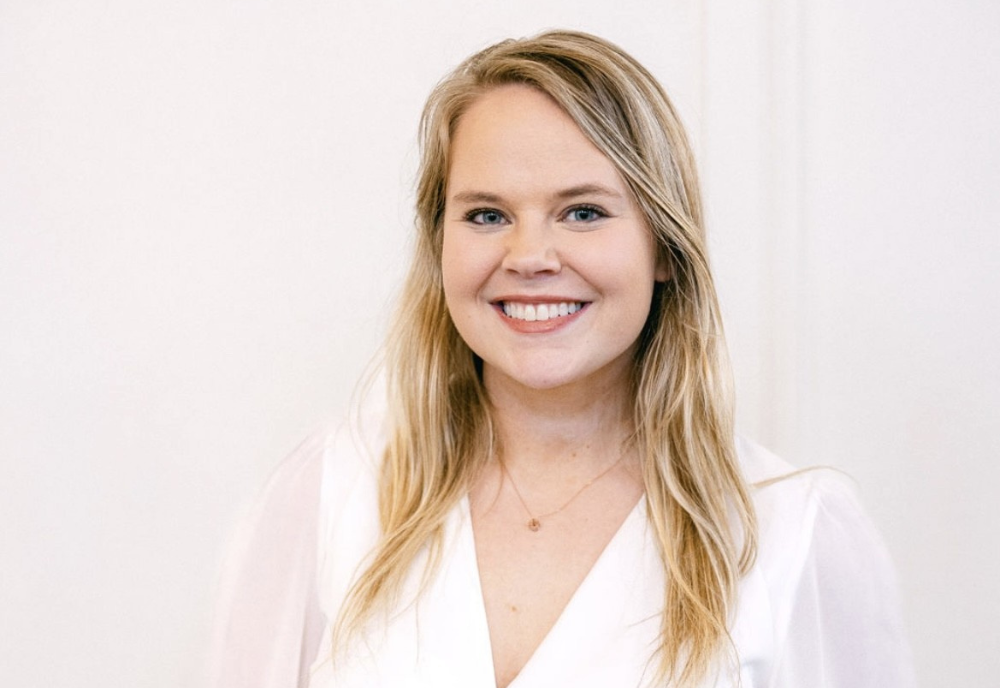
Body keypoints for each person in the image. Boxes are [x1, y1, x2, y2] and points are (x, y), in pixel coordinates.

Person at [208, 30, 915, 688]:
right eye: (487, 215)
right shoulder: (331, 491)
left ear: (664, 246)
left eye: (583, 212)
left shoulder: (792, 532)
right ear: (440, 243)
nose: (531, 258)